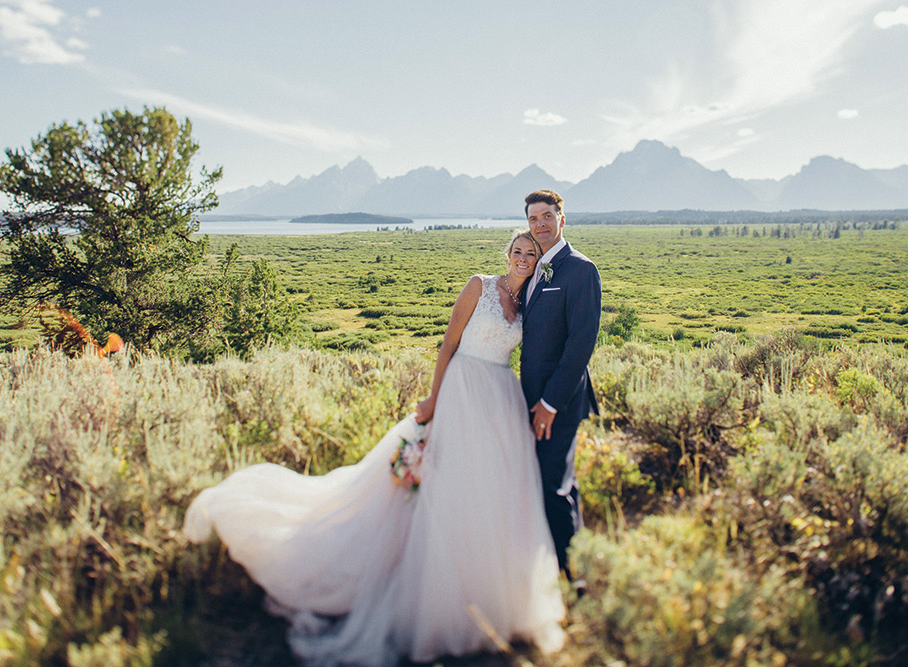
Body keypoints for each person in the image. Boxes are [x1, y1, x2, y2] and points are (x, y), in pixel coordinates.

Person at [184, 230, 565, 666]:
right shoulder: (479, 284)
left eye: (530, 253)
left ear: (539, 260)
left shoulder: (529, 301)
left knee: (492, 494)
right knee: (445, 485)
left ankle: (489, 596)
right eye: (516, 250)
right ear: (507, 254)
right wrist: (433, 400)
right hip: (462, 390)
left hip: (500, 399)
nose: (521, 257)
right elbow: (448, 345)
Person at [519, 190, 601, 588]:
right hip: (531, 398)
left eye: (547, 217)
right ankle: (570, 560)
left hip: (560, 401)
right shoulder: (533, 268)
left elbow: (580, 345)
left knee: (553, 483)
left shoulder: (581, 270)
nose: (541, 225)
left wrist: (550, 403)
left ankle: (575, 583)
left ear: (562, 219)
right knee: (559, 479)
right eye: (534, 219)